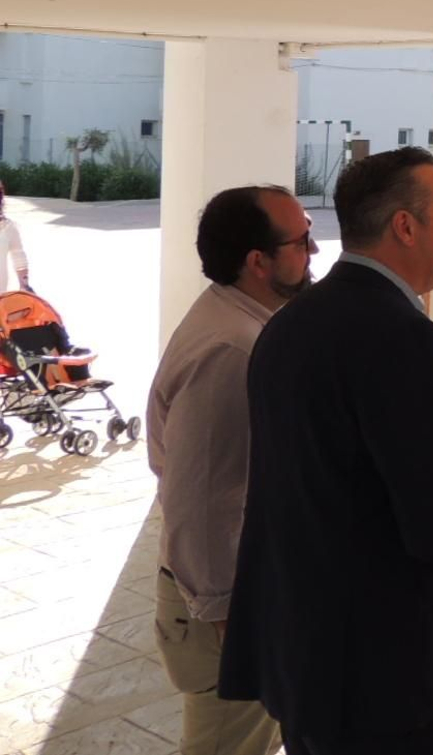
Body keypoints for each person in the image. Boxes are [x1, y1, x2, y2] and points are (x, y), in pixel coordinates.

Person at [219, 148, 433, 754]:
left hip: (311, 668)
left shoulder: (288, 324)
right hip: (393, 688)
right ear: (404, 226)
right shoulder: (404, 339)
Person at [147, 186, 315, 755]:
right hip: (225, 608)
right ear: (258, 262)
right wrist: (229, 618)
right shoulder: (234, 350)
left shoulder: (240, 322)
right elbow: (197, 499)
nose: (314, 252)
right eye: (302, 240)